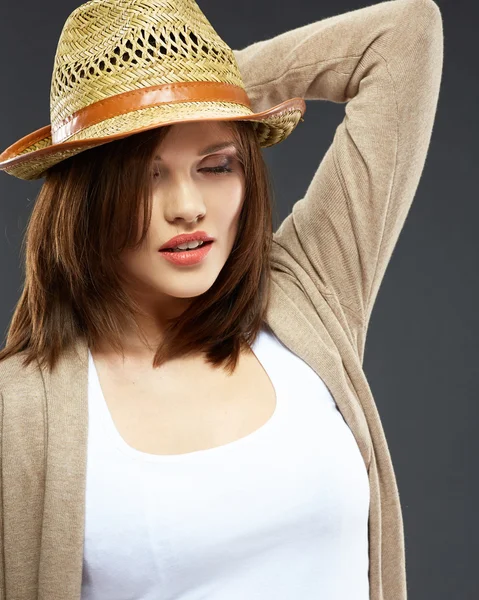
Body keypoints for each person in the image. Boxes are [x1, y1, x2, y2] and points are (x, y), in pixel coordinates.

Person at [0, 0, 443, 598]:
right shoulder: (22, 411)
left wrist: (198, 84)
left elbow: (404, 35)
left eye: (215, 165)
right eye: (147, 174)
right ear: (87, 195)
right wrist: (170, 98)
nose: (187, 206)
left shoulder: (306, 296)